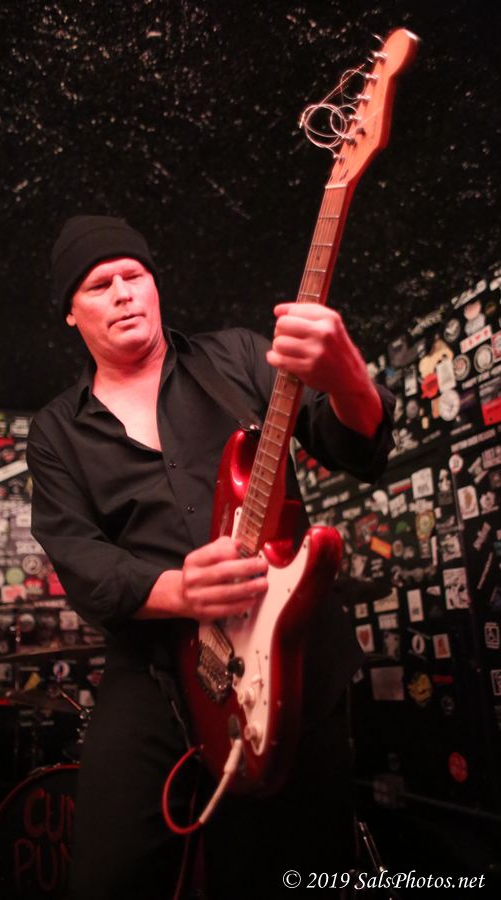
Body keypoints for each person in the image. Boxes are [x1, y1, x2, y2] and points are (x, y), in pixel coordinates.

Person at [27, 215, 394, 899]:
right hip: (155, 665)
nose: (123, 292)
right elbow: (75, 553)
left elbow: (356, 447)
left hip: (285, 649)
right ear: (71, 314)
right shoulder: (55, 431)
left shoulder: (238, 357)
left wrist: (350, 380)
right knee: (108, 876)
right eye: (99, 285)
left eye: (134, 275)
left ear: (155, 285)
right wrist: (176, 590)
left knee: (290, 867)